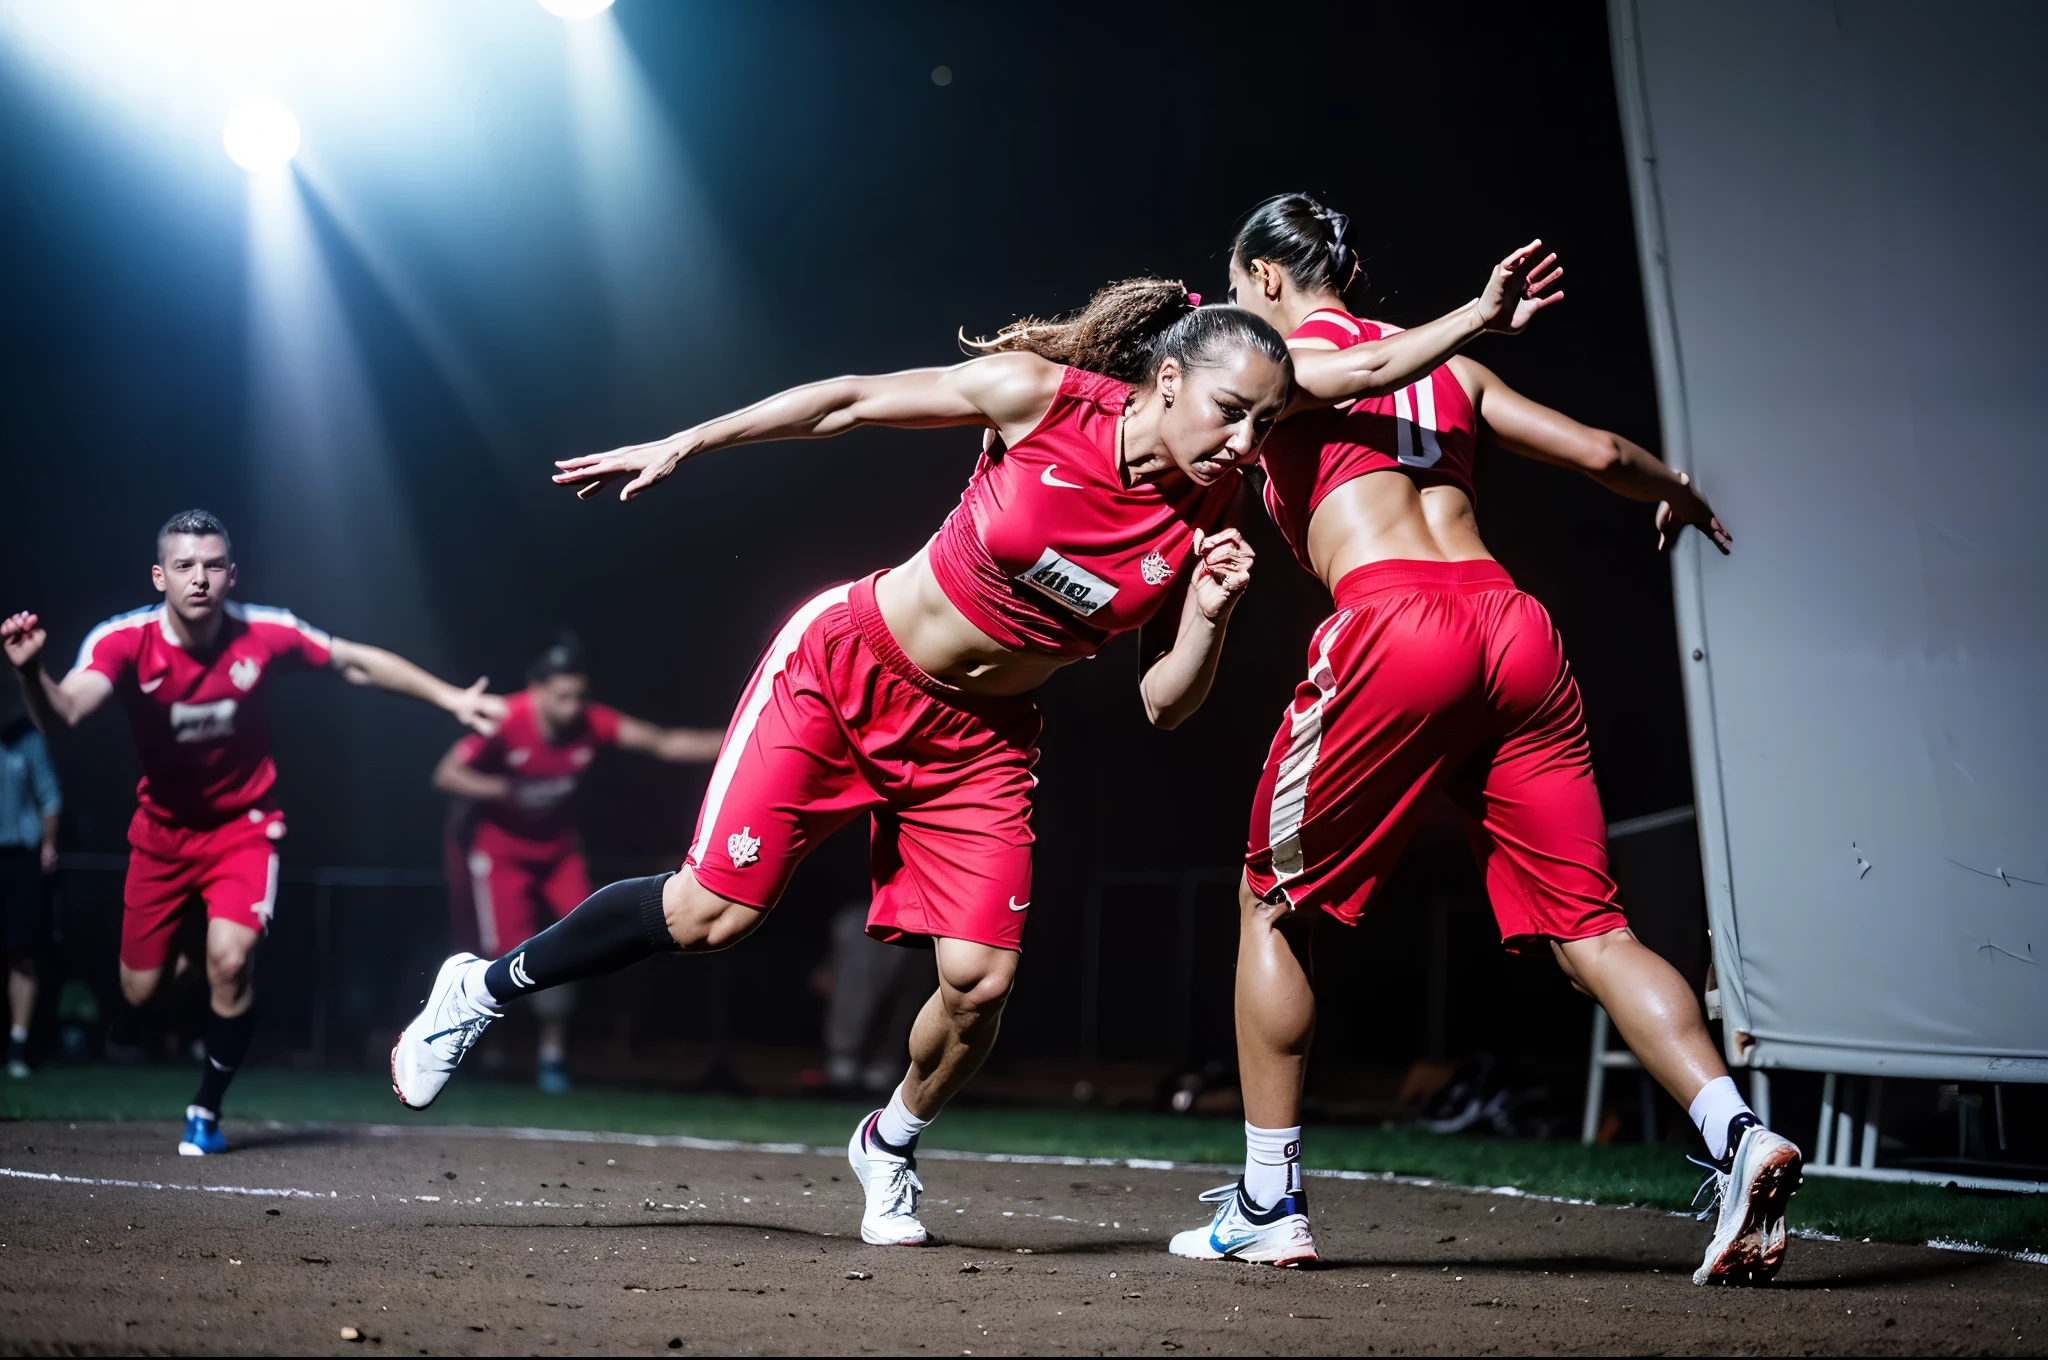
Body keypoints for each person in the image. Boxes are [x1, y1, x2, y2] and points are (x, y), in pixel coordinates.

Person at [393, 256, 1553, 1247]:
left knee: (980, 980)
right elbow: (847, 402)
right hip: (846, 671)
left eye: (1263, 422)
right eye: (1231, 413)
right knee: (712, 917)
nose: (1248, 443)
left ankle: (886, 1141)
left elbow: (1161, 707)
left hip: (981, 746)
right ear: (1165, 380)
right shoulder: (1038, 399)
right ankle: (483, 988)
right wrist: (689, 441)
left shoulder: (1208, 521)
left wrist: (1204, 621)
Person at [1164, 194, 1799, 1287]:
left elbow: (1341, 382)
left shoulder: (1280, 366)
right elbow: (1599, 450)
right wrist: (1676, 491)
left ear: (1265, 279)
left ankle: (1270, 1200)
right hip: (1513, 631)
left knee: (1270, 900)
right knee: (1588, 927)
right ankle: (1738, 1134)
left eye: (1233, 285)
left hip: (1396, 624)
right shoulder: (1453, 374)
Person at [2, 509, 505, 1154]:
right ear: (159, 576)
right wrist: (29, 676)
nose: (200, 579)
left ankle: (205, 1110)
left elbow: (353, 663)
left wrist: (450, 699)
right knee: (140, 990)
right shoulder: (123, 643)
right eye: (184, 566)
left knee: (230, 961)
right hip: (160, 836)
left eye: (213, 564)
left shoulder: (265, 635)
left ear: (232, 573)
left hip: (244, 828)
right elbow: (65, 714)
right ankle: (196, 951)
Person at [432, 633, 722, 1093]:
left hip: (559, 851)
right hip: (501, 853)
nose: (572, 707)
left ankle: (553, 1055)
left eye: (580, 696)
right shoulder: (507, 719)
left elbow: (664, 742)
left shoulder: (593, 722)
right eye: (563, 696)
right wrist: (501, 790)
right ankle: (490, 1051)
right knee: (504, 954)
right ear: (538, 690)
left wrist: (743, 740)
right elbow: (446, 774)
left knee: (585, 940)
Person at [0, 688, 60, 1078]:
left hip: (20, 858)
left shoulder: (29, 739)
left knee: (21, 954)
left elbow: (50, 798)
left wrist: (49, 844)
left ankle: (19, 1046)